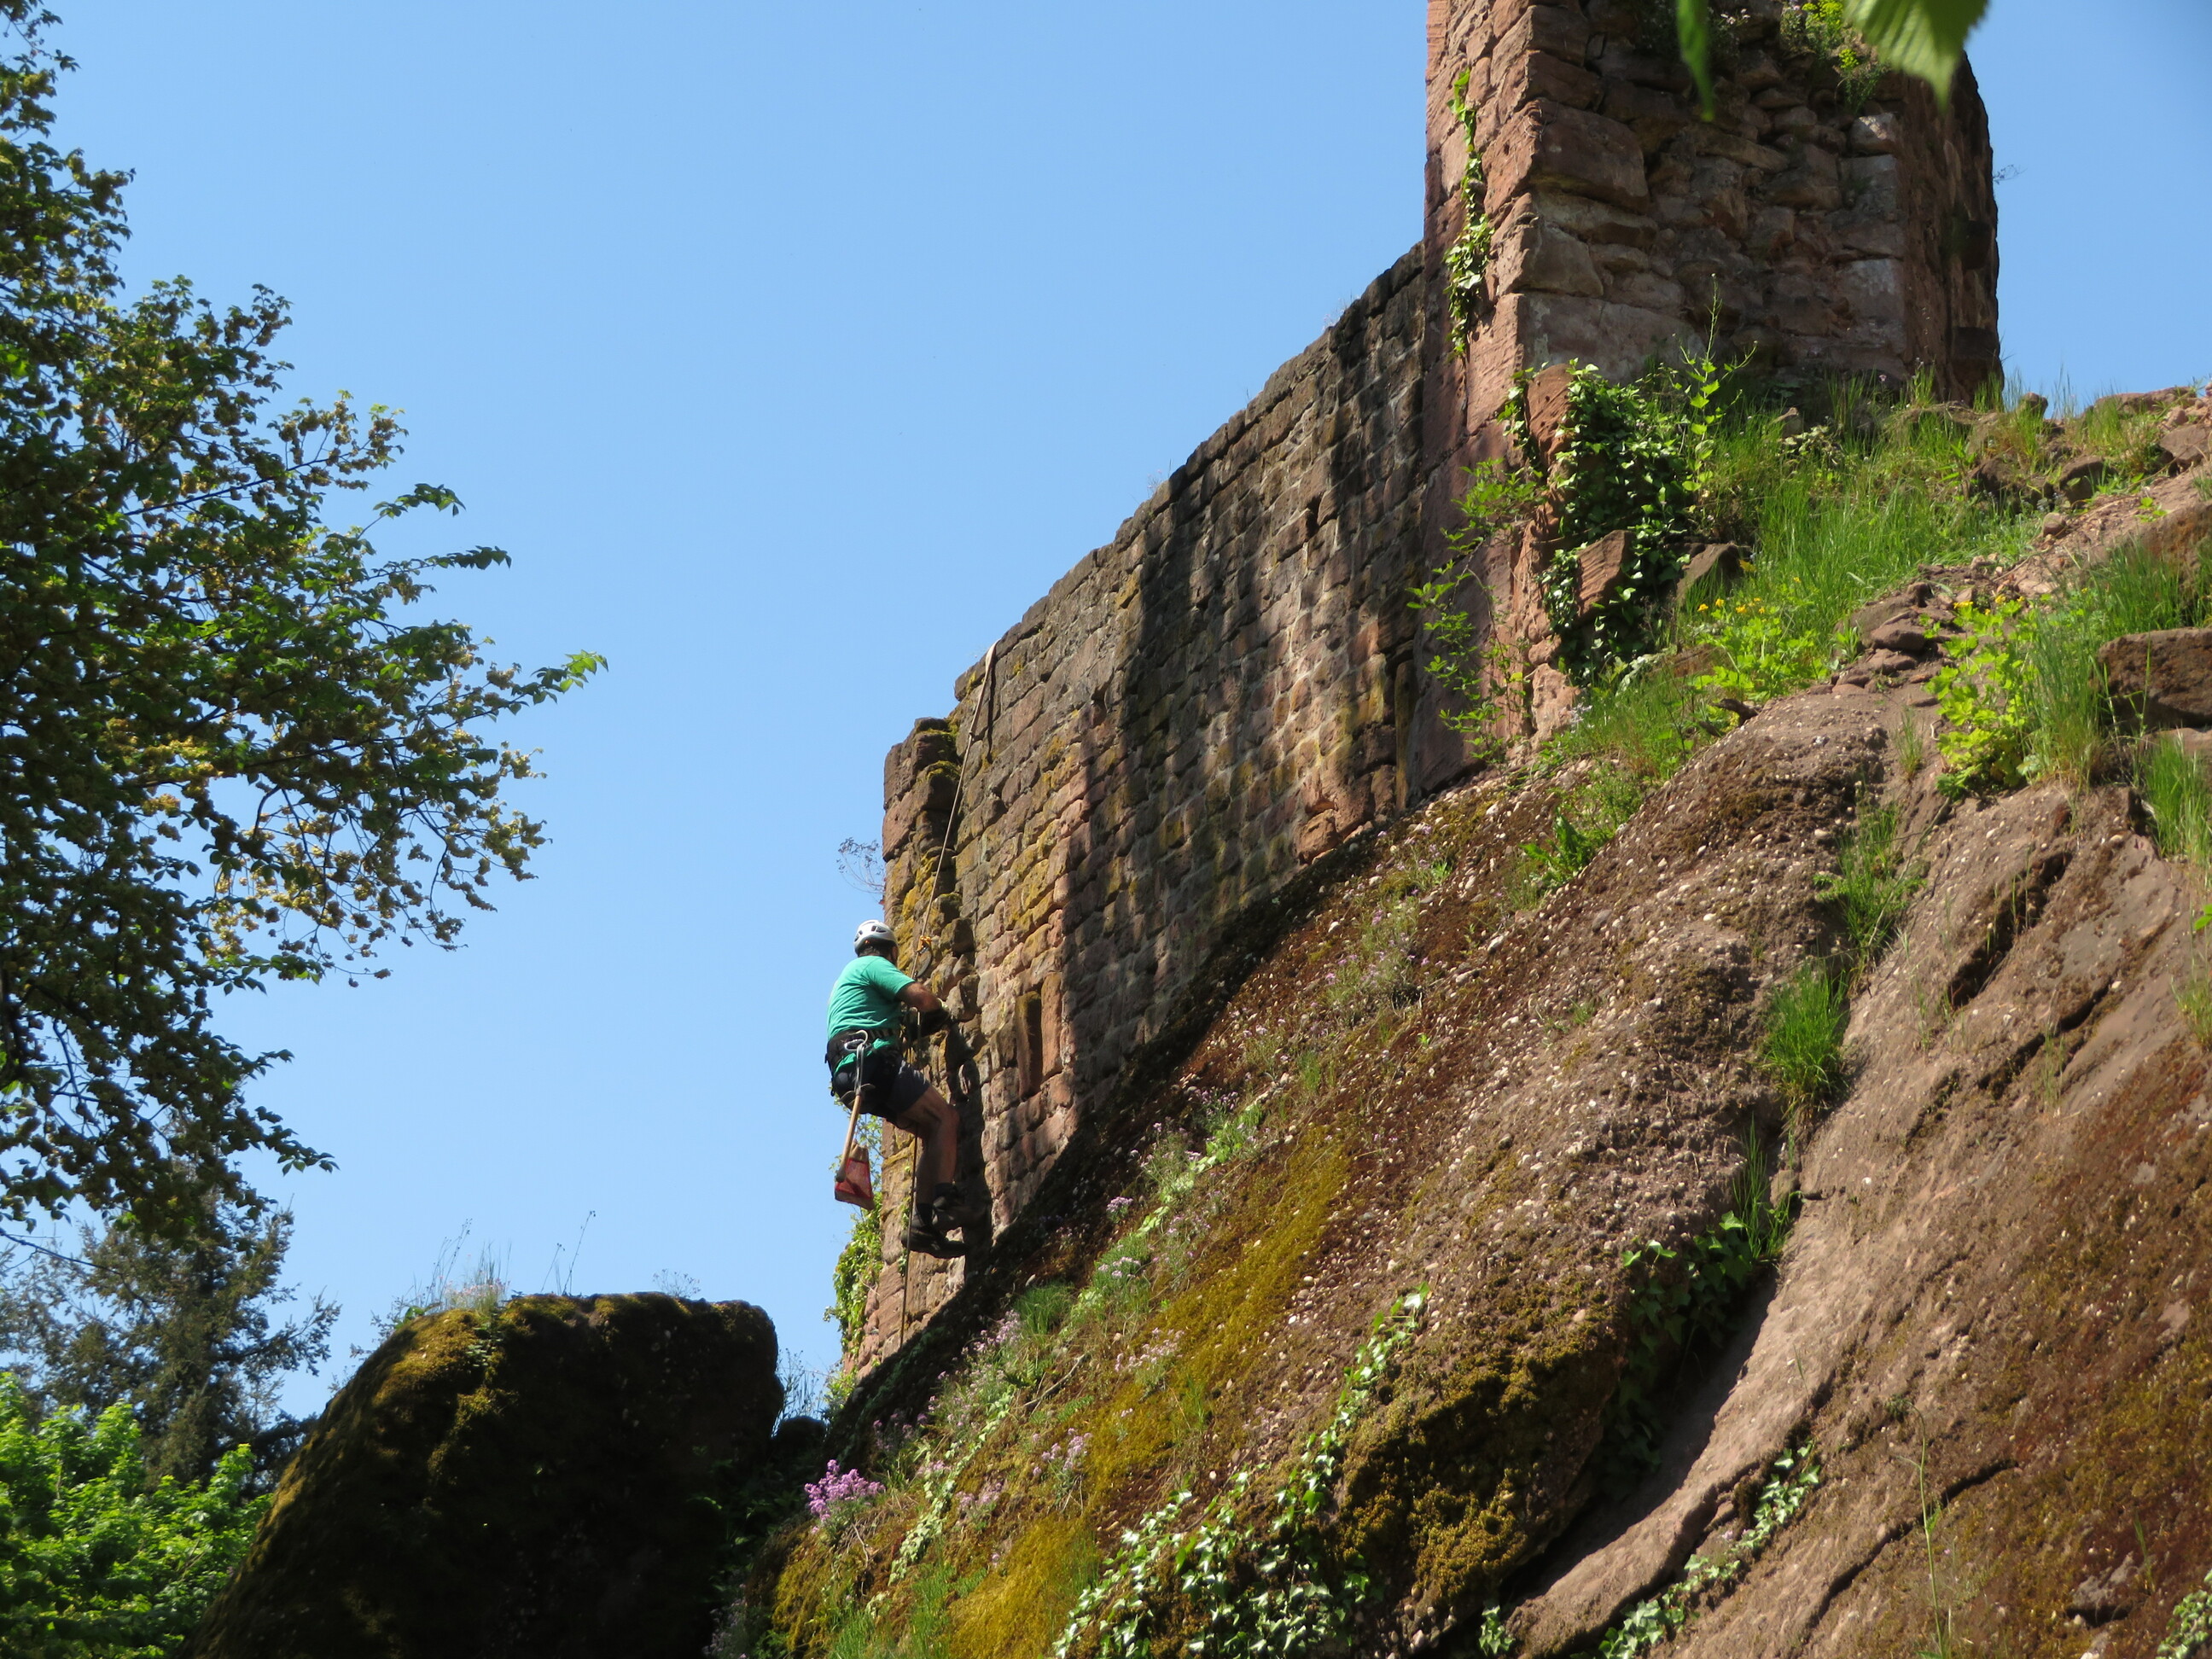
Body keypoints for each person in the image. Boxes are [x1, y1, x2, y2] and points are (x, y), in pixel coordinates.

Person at [825, 920, 973, 1259]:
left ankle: (921, 1225)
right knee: (947, 1118)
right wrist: (936, 1012)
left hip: (850, 1073)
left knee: (931, 1129)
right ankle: (945, 1200)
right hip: (873, 1061)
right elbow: (924, 999)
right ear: (891, 951)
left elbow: (877, 1019)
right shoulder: (873, 965)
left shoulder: (846, 982)